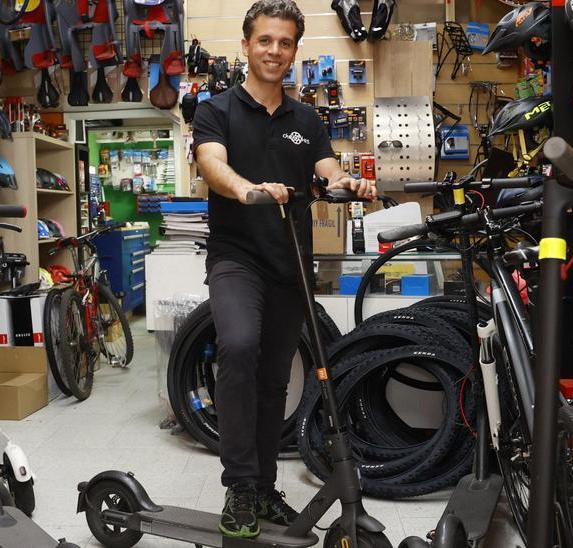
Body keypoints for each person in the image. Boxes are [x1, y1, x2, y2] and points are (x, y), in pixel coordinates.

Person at [189, 0, 376, 538]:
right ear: (246, 45)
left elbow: (327, 169)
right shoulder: (216, 109)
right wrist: (247, 190)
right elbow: (211, 163)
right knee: (239, 347)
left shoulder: (307, 119)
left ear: (295, 51)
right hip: (235, 257)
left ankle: (263, 488)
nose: (275, 51)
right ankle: (239, 486)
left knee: (274, 380)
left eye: (286, 42)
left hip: (291, 261)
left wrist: (348, 183)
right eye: (265, 40)